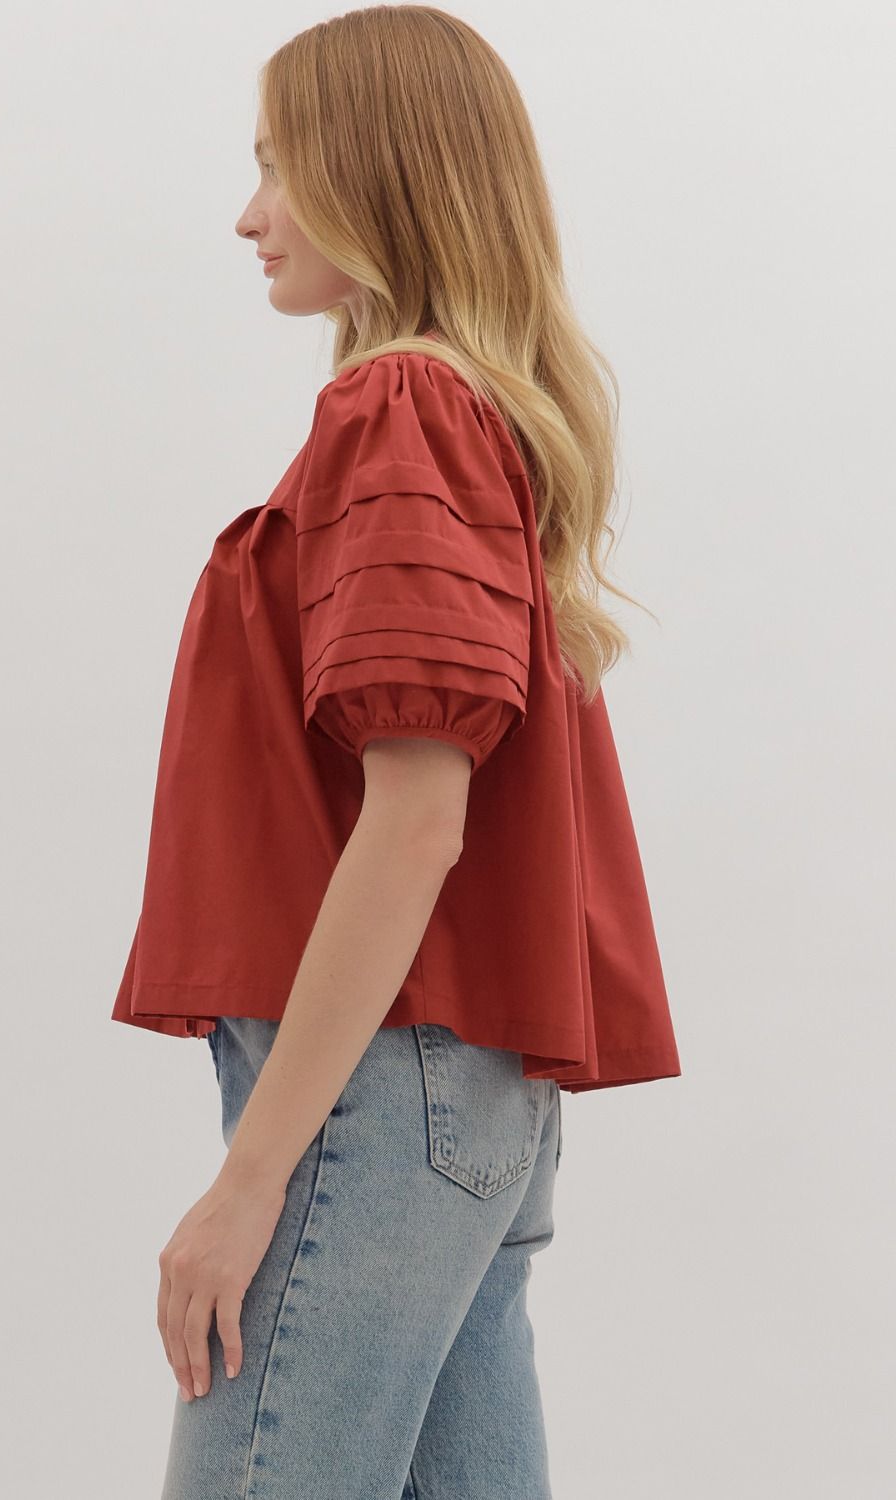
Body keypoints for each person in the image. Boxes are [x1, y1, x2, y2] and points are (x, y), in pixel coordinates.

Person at [110, 8, 681, 1496]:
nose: (249, 216)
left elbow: (420, 815)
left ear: (374, 171)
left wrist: (248, 1185)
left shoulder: (402, 407)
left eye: (277, 167)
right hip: (453, 1091)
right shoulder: (468, 415)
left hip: (377, 1085)